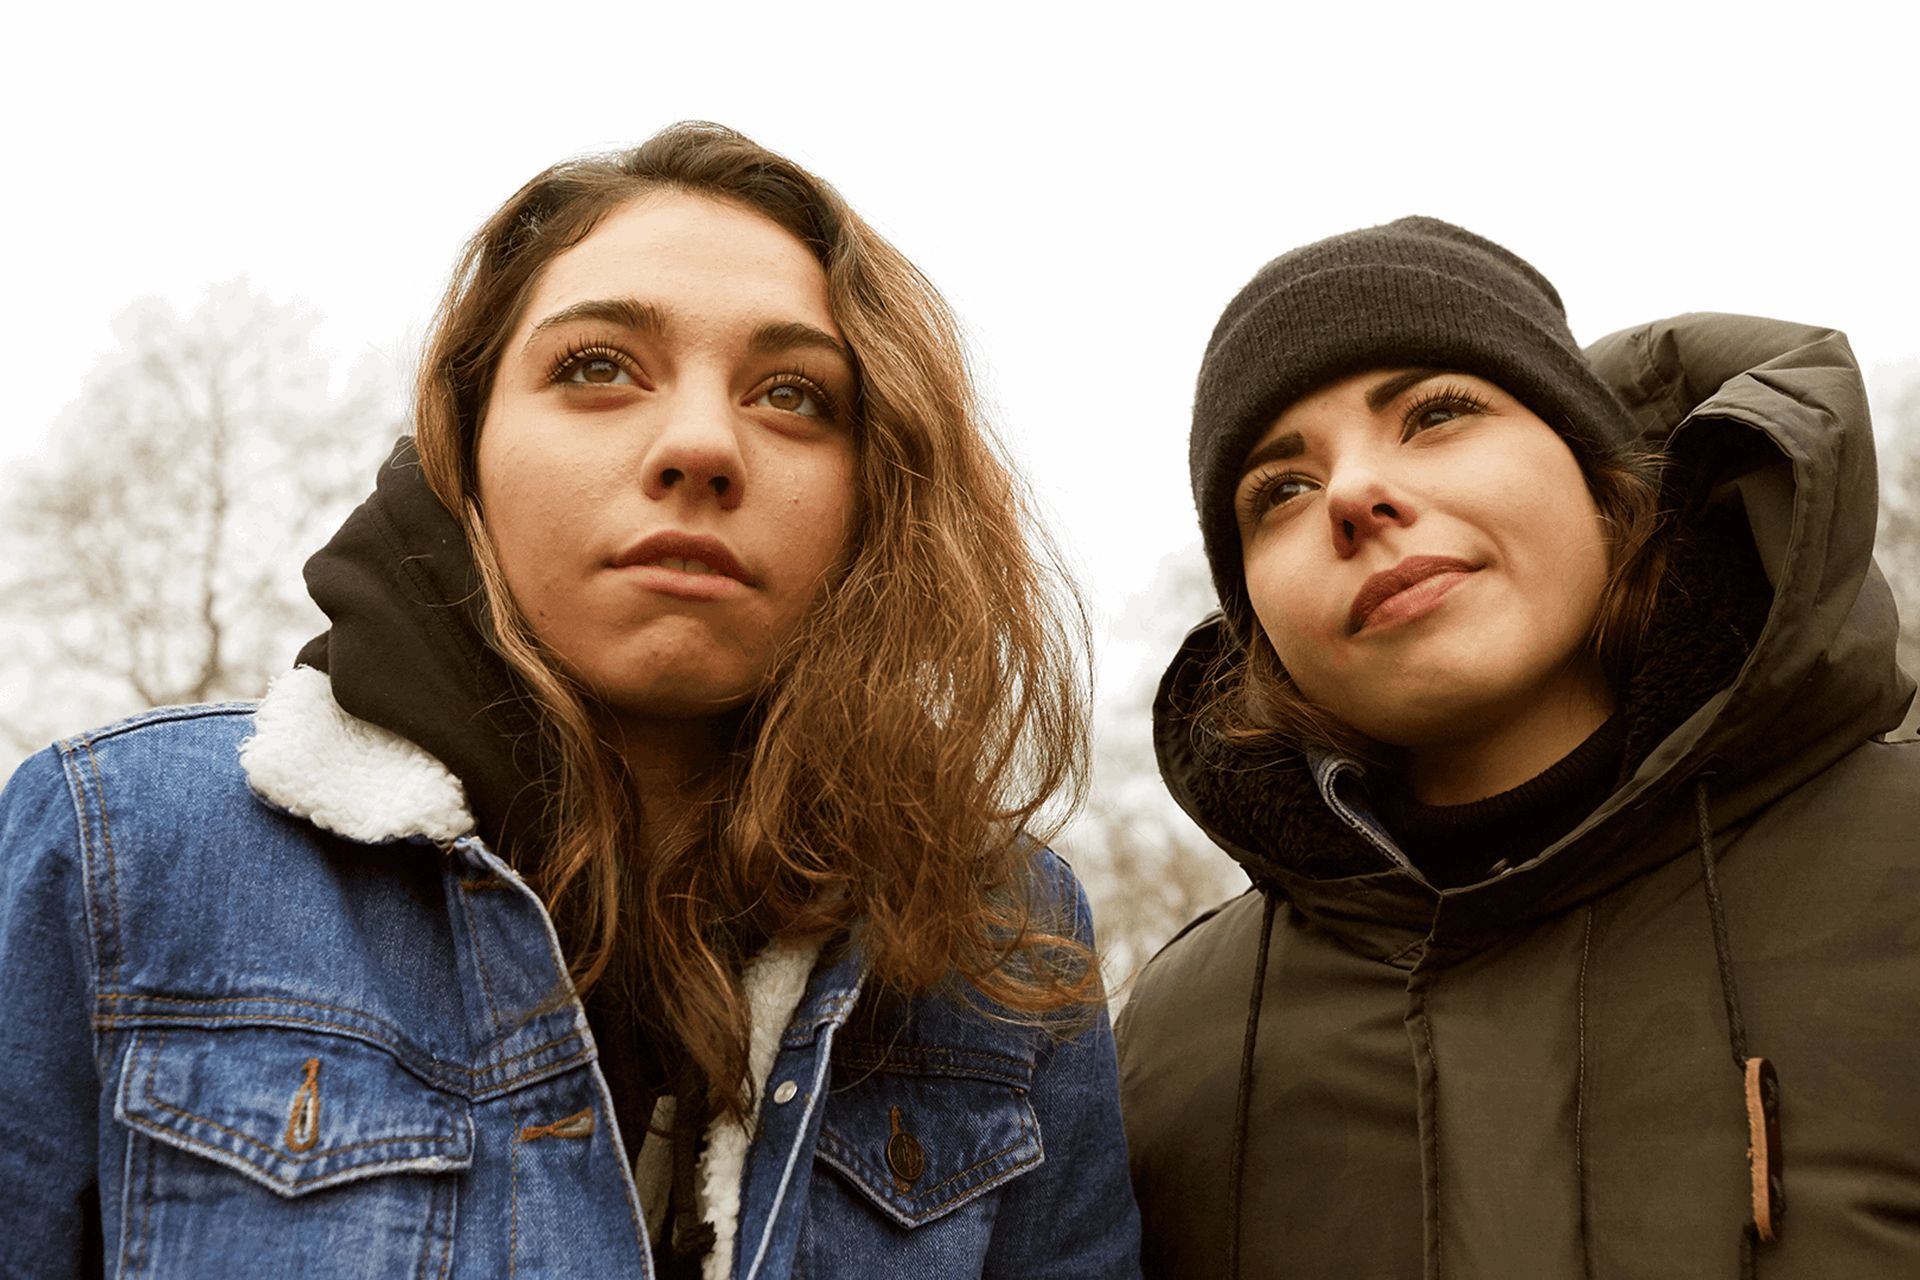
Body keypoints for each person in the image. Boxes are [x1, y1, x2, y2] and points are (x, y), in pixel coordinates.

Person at [0, 122, 1141, 1278]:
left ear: (879, 488)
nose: (701, 443)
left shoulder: (1005, 940)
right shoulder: (117, 854)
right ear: (466, 441)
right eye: (597, 366)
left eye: (793, 392)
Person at [1114, 217, 1918, 1277]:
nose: (1352, 494)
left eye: (1437, 413)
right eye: (1280, 490)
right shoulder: (1170, 1051)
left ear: (1603, 476)